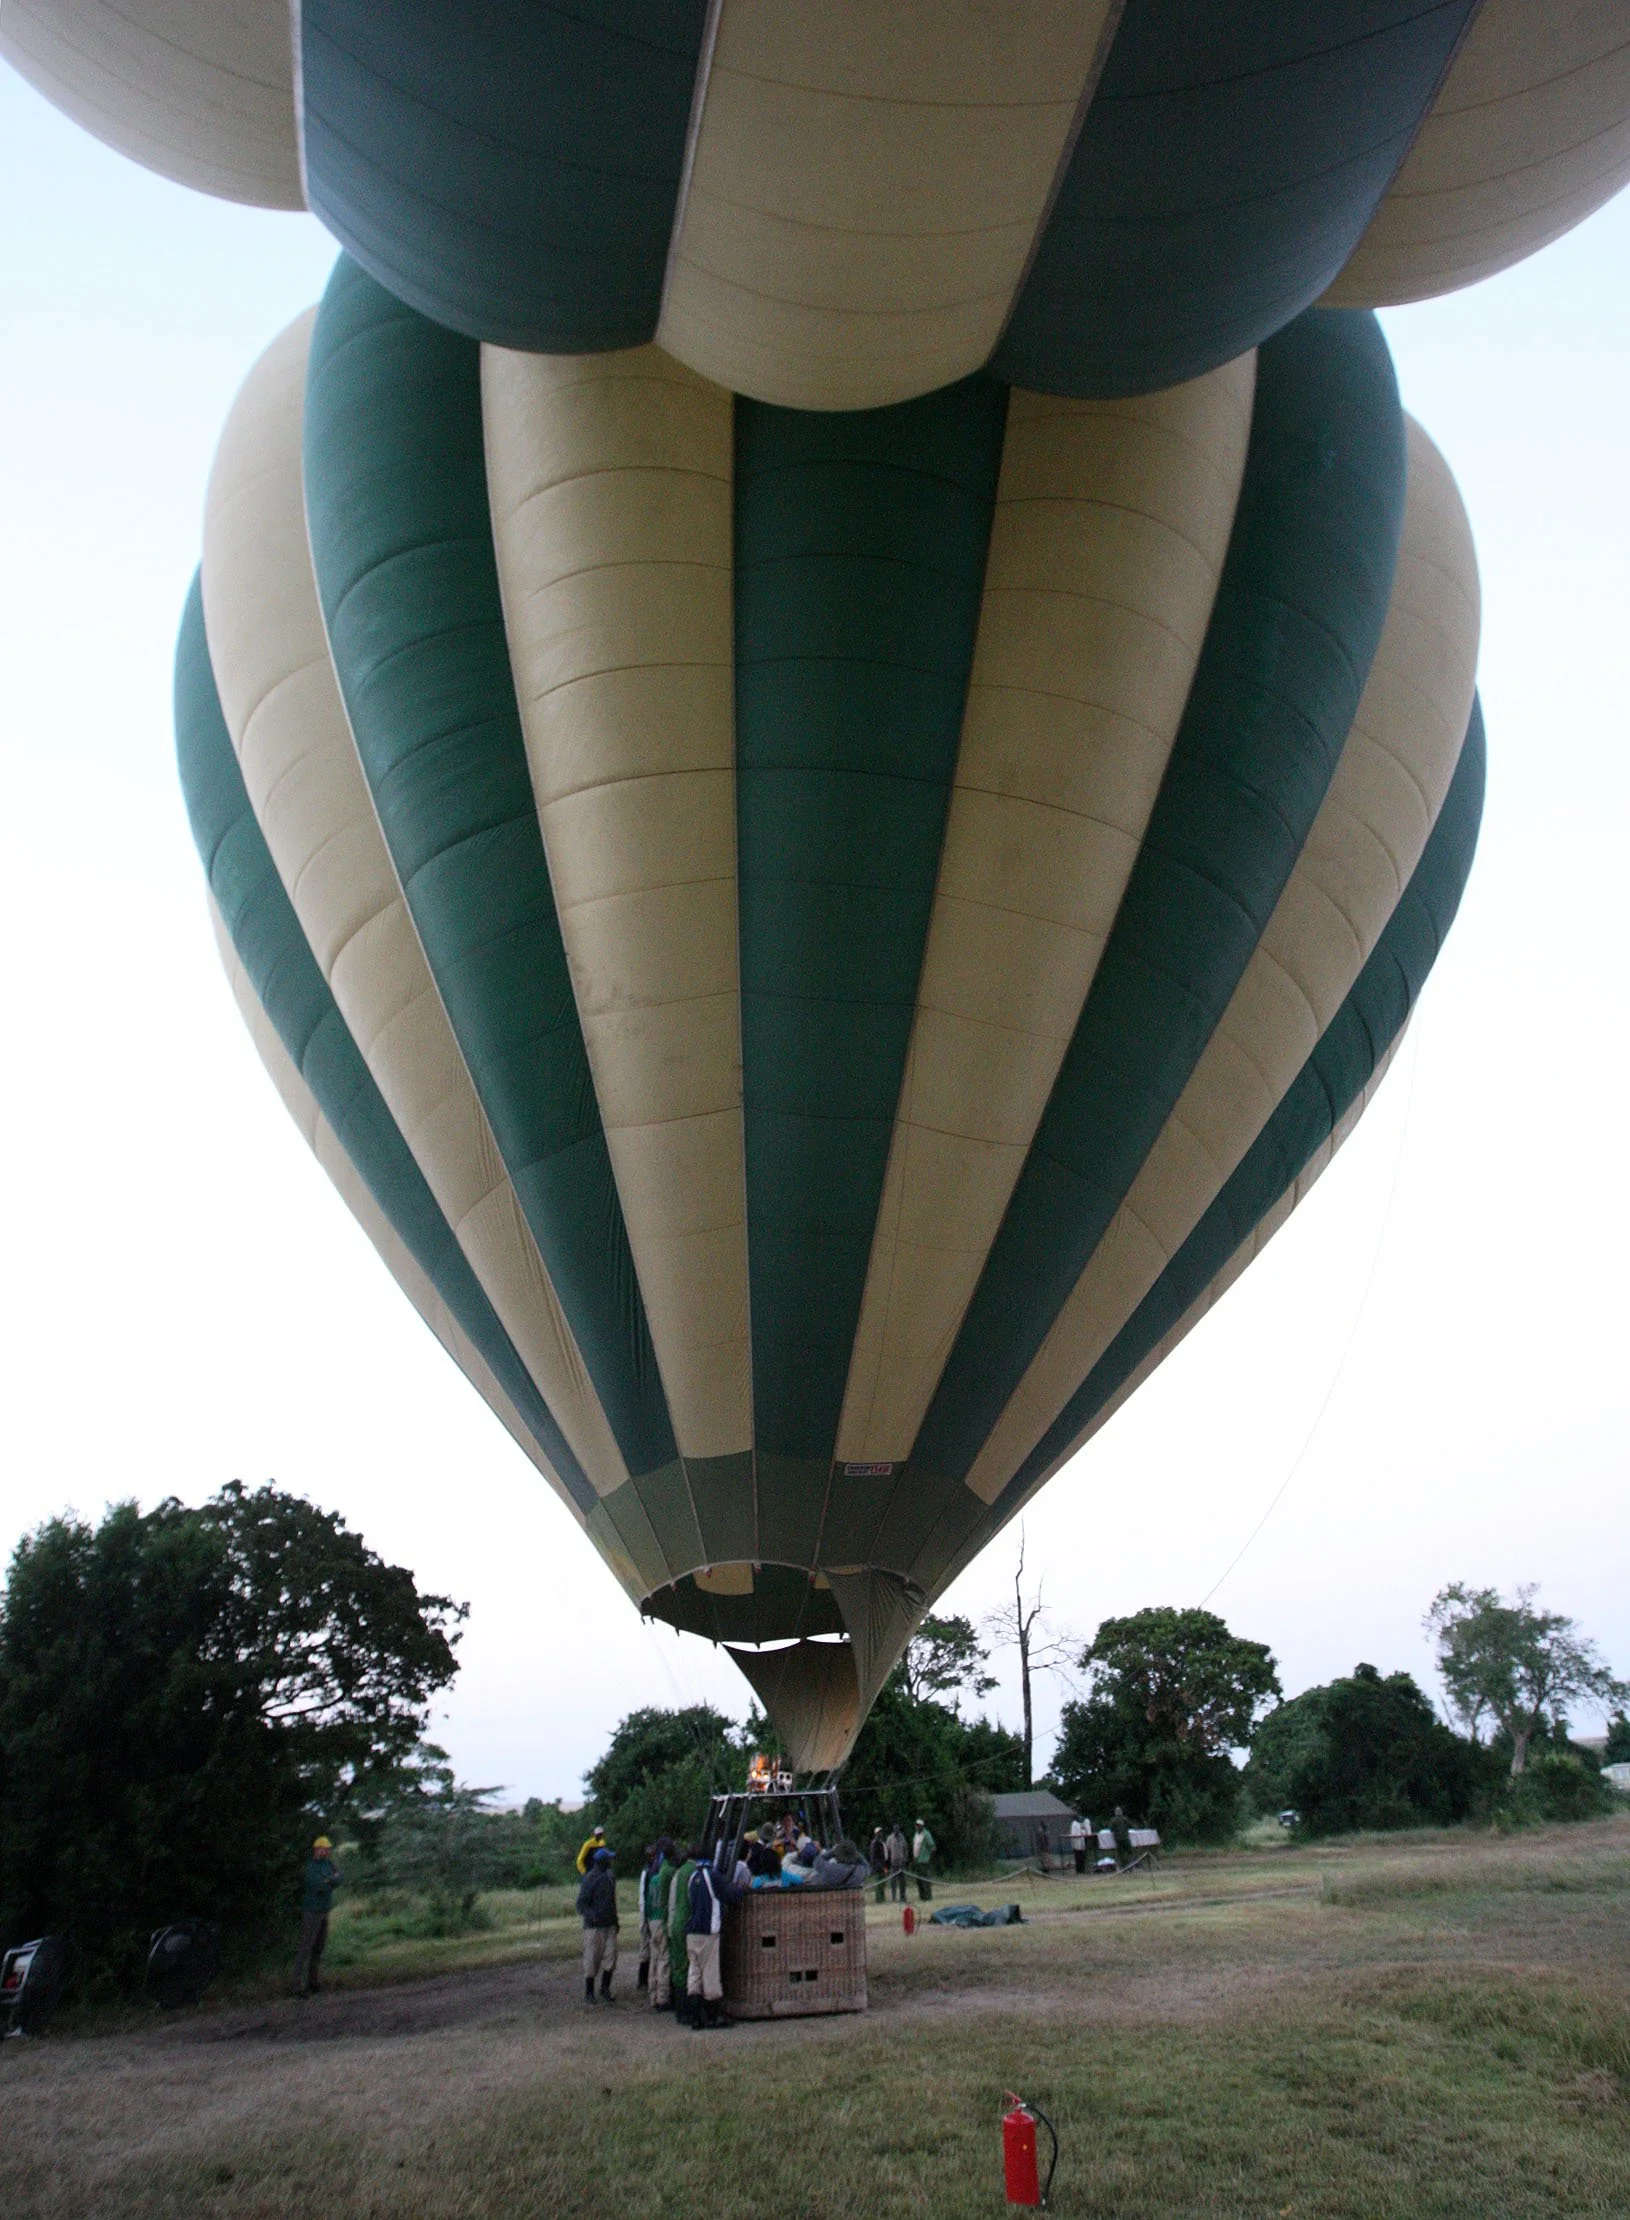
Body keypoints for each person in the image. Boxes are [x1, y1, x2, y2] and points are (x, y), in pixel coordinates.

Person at [684, 1846, 743, 2029]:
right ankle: (713, 2017)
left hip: (692, 1933)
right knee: (710, 1974)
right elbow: (729, 1895)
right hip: (708, 1932)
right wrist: (740, 1890)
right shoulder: (713, 1876)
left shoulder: (693, 1878)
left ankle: (695, 2017)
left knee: (694, 1973)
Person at [294, 1834, 342, 1997]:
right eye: (324, 1849)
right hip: (311, 1911)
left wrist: (329, 1881)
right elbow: (317, 1885)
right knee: (306, 1947)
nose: (327, 1852)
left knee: (318, 1948)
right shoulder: (311, 1866)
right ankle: (297, 1986)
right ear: (317, 1849)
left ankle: (313, 1982)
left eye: (328, 1849)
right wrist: (331, 1881)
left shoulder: (329, 1864)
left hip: (323, 1910)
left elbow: (339, 1878)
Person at [576, 1845, 619, 2004]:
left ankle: (605, 1988)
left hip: (609, 1925)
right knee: (591, 1959)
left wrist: (616, 1921)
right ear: (602, 1862)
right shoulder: (589, 1879)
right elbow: (580, 1904)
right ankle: (589, 1992)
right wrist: (592, 1916)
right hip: (594, 1927)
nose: (611, 1862)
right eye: (609, 1859)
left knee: (611, 1957)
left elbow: (612, 1901)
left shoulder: (609, 1877)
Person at [644, 1838, 678, 2011]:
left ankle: (652, 1994)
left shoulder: (653, 1879)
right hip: (661, 1919)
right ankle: (663, 1998)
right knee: (664, 1959)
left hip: (652, 1921)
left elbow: (648, 1904)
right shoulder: (670, 1874)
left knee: (654, 1958)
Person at [666, 1842, 699, 2018]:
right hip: (687, 1923)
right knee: (690, 1967)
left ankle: (680, 2010)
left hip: (675, 1923)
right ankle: (688, 2011)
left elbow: (672, 1902)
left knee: (678, 1966)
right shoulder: (694, 1872)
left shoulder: (678, 1874)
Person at [911, 1817, 936, 1899]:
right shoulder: (916, 1834)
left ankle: (928, 1897)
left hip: (924, 1860)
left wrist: (929, 1858)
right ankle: (922, 1896)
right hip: (917, 1860)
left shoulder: (926, 1834)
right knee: (919, 1880)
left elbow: (933, 1847)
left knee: (925, 1880)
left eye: (918, 1825)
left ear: (922, 1826)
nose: (917, 1827)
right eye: (916, 1825)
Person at [885, 1820, 910, 1902]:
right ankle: (894, 1898)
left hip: (901, 1863)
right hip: (893, 1863)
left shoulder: (902, 1837)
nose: (896, 1831)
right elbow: (887, 1850)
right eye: (895, 1829)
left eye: (898, 1829)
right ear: (893, 1830)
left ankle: (903, 1897)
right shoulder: (889, 1838)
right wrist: (887, 1862)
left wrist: (906, 1858)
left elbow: (906, 1848)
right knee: (893, 1882)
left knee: (903, 1882)